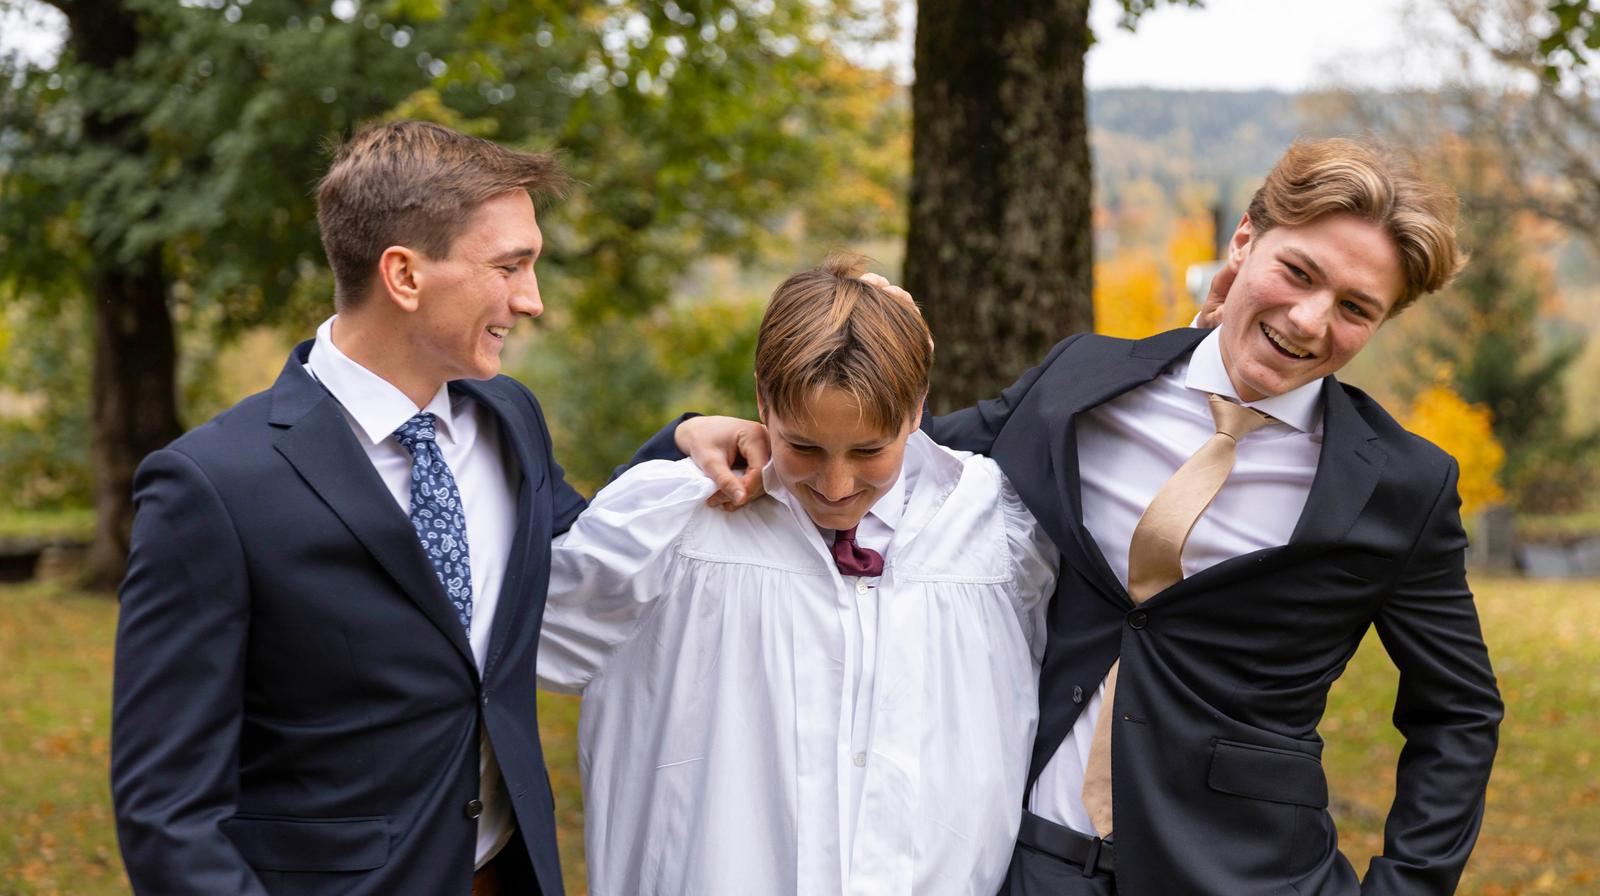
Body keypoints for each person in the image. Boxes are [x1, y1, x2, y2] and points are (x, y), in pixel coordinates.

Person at [656, 138, 1504, 894]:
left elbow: (1458, 711)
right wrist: (703, 435)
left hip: (1248, 872)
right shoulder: (1078, 383)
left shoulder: (1402, 484)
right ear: (1245, 243)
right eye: (1299, 272)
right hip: (1023, 858)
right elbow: (883, 459)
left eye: (1356, 308)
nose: (1310, 319)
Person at [111, 121, 586, 895]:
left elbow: (579, 549)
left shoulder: (511, 418)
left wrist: (683, 448)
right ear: (404, 275)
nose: (530, 300)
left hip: (510, 872)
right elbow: (166, 810)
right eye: (510, 266)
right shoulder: (212, 486)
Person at [537, 256, 1059, 895]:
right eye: (803, 447)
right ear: (761, 400)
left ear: (918, 408)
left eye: (870, 451)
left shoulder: (1002, 530)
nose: (836, 487)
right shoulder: (666, 525)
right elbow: (497, 647)